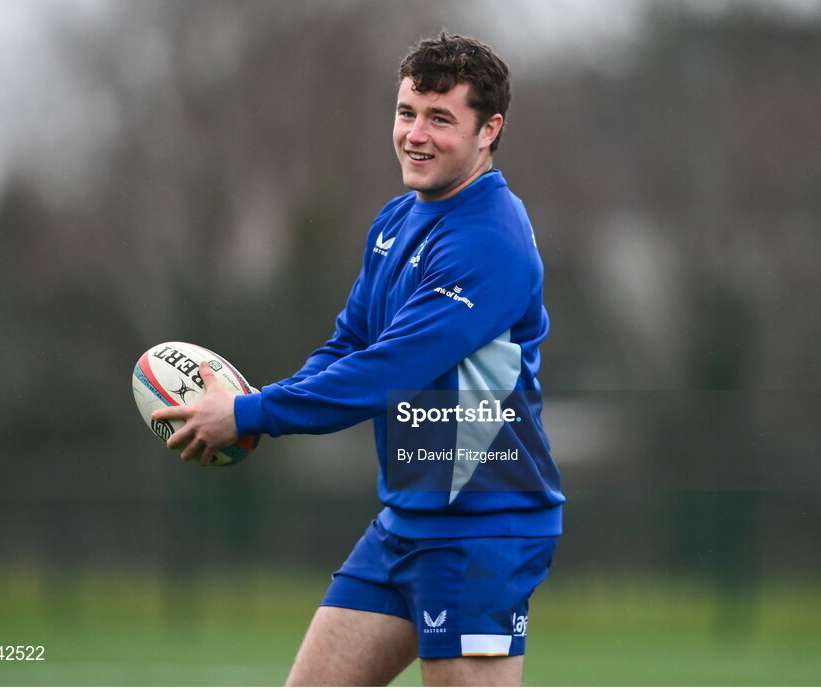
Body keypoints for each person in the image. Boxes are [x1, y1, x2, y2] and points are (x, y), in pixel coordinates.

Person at [153, 32, 564, 686]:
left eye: (440, 119)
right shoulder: (396, 222)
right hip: (405, 523)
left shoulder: (492, 242)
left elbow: (388, 372)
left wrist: (253, 413)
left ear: (489, 131)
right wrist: (244, 404)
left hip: (482, 534)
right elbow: (349, 346)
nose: (415, 135)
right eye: (406, 113)